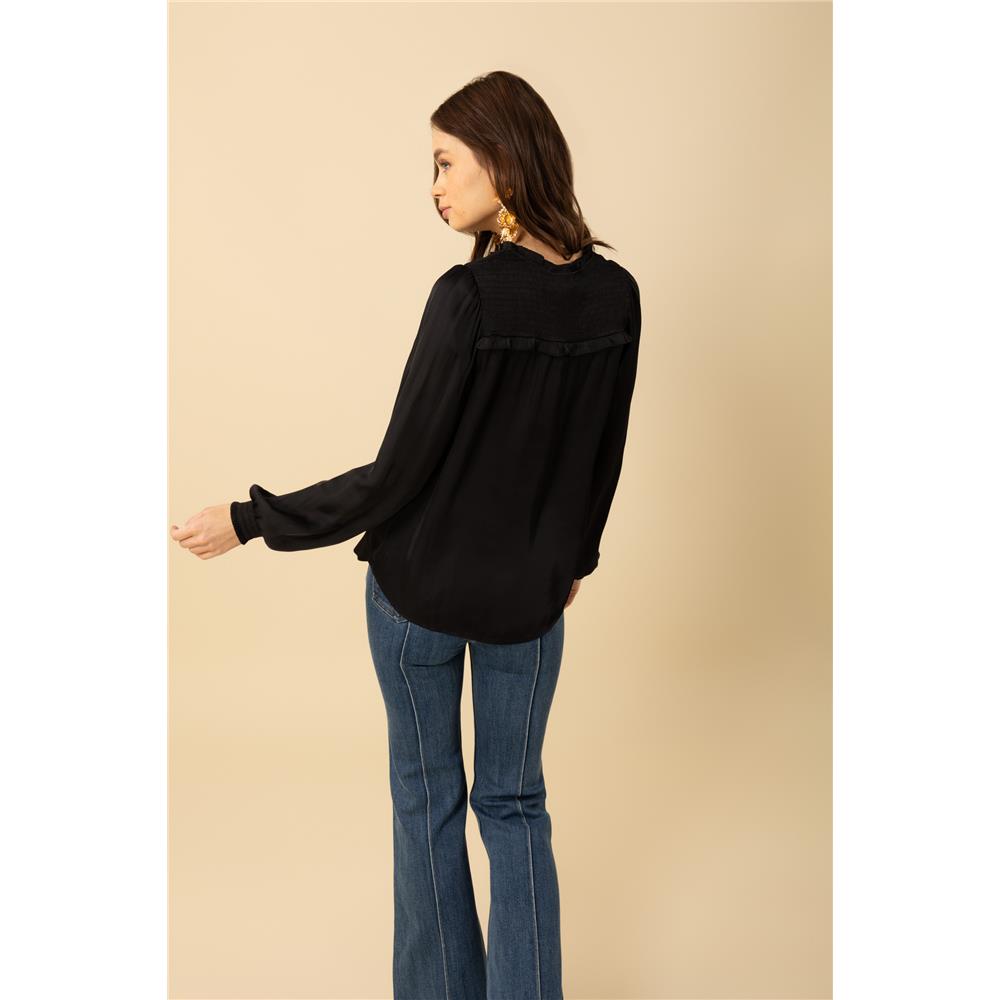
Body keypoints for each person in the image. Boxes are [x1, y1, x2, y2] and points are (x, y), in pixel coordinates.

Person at [171, 70, 641, 1000]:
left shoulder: (467, 298)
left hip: (417, 597)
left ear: (503, 163)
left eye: (445, 163)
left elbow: (395, 476)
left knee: (427, 802)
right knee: (516, 807)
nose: (435, 187)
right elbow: (603, 456)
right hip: (529, 604)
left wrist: (252, 519)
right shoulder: (616, 295)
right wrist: (571, 560)